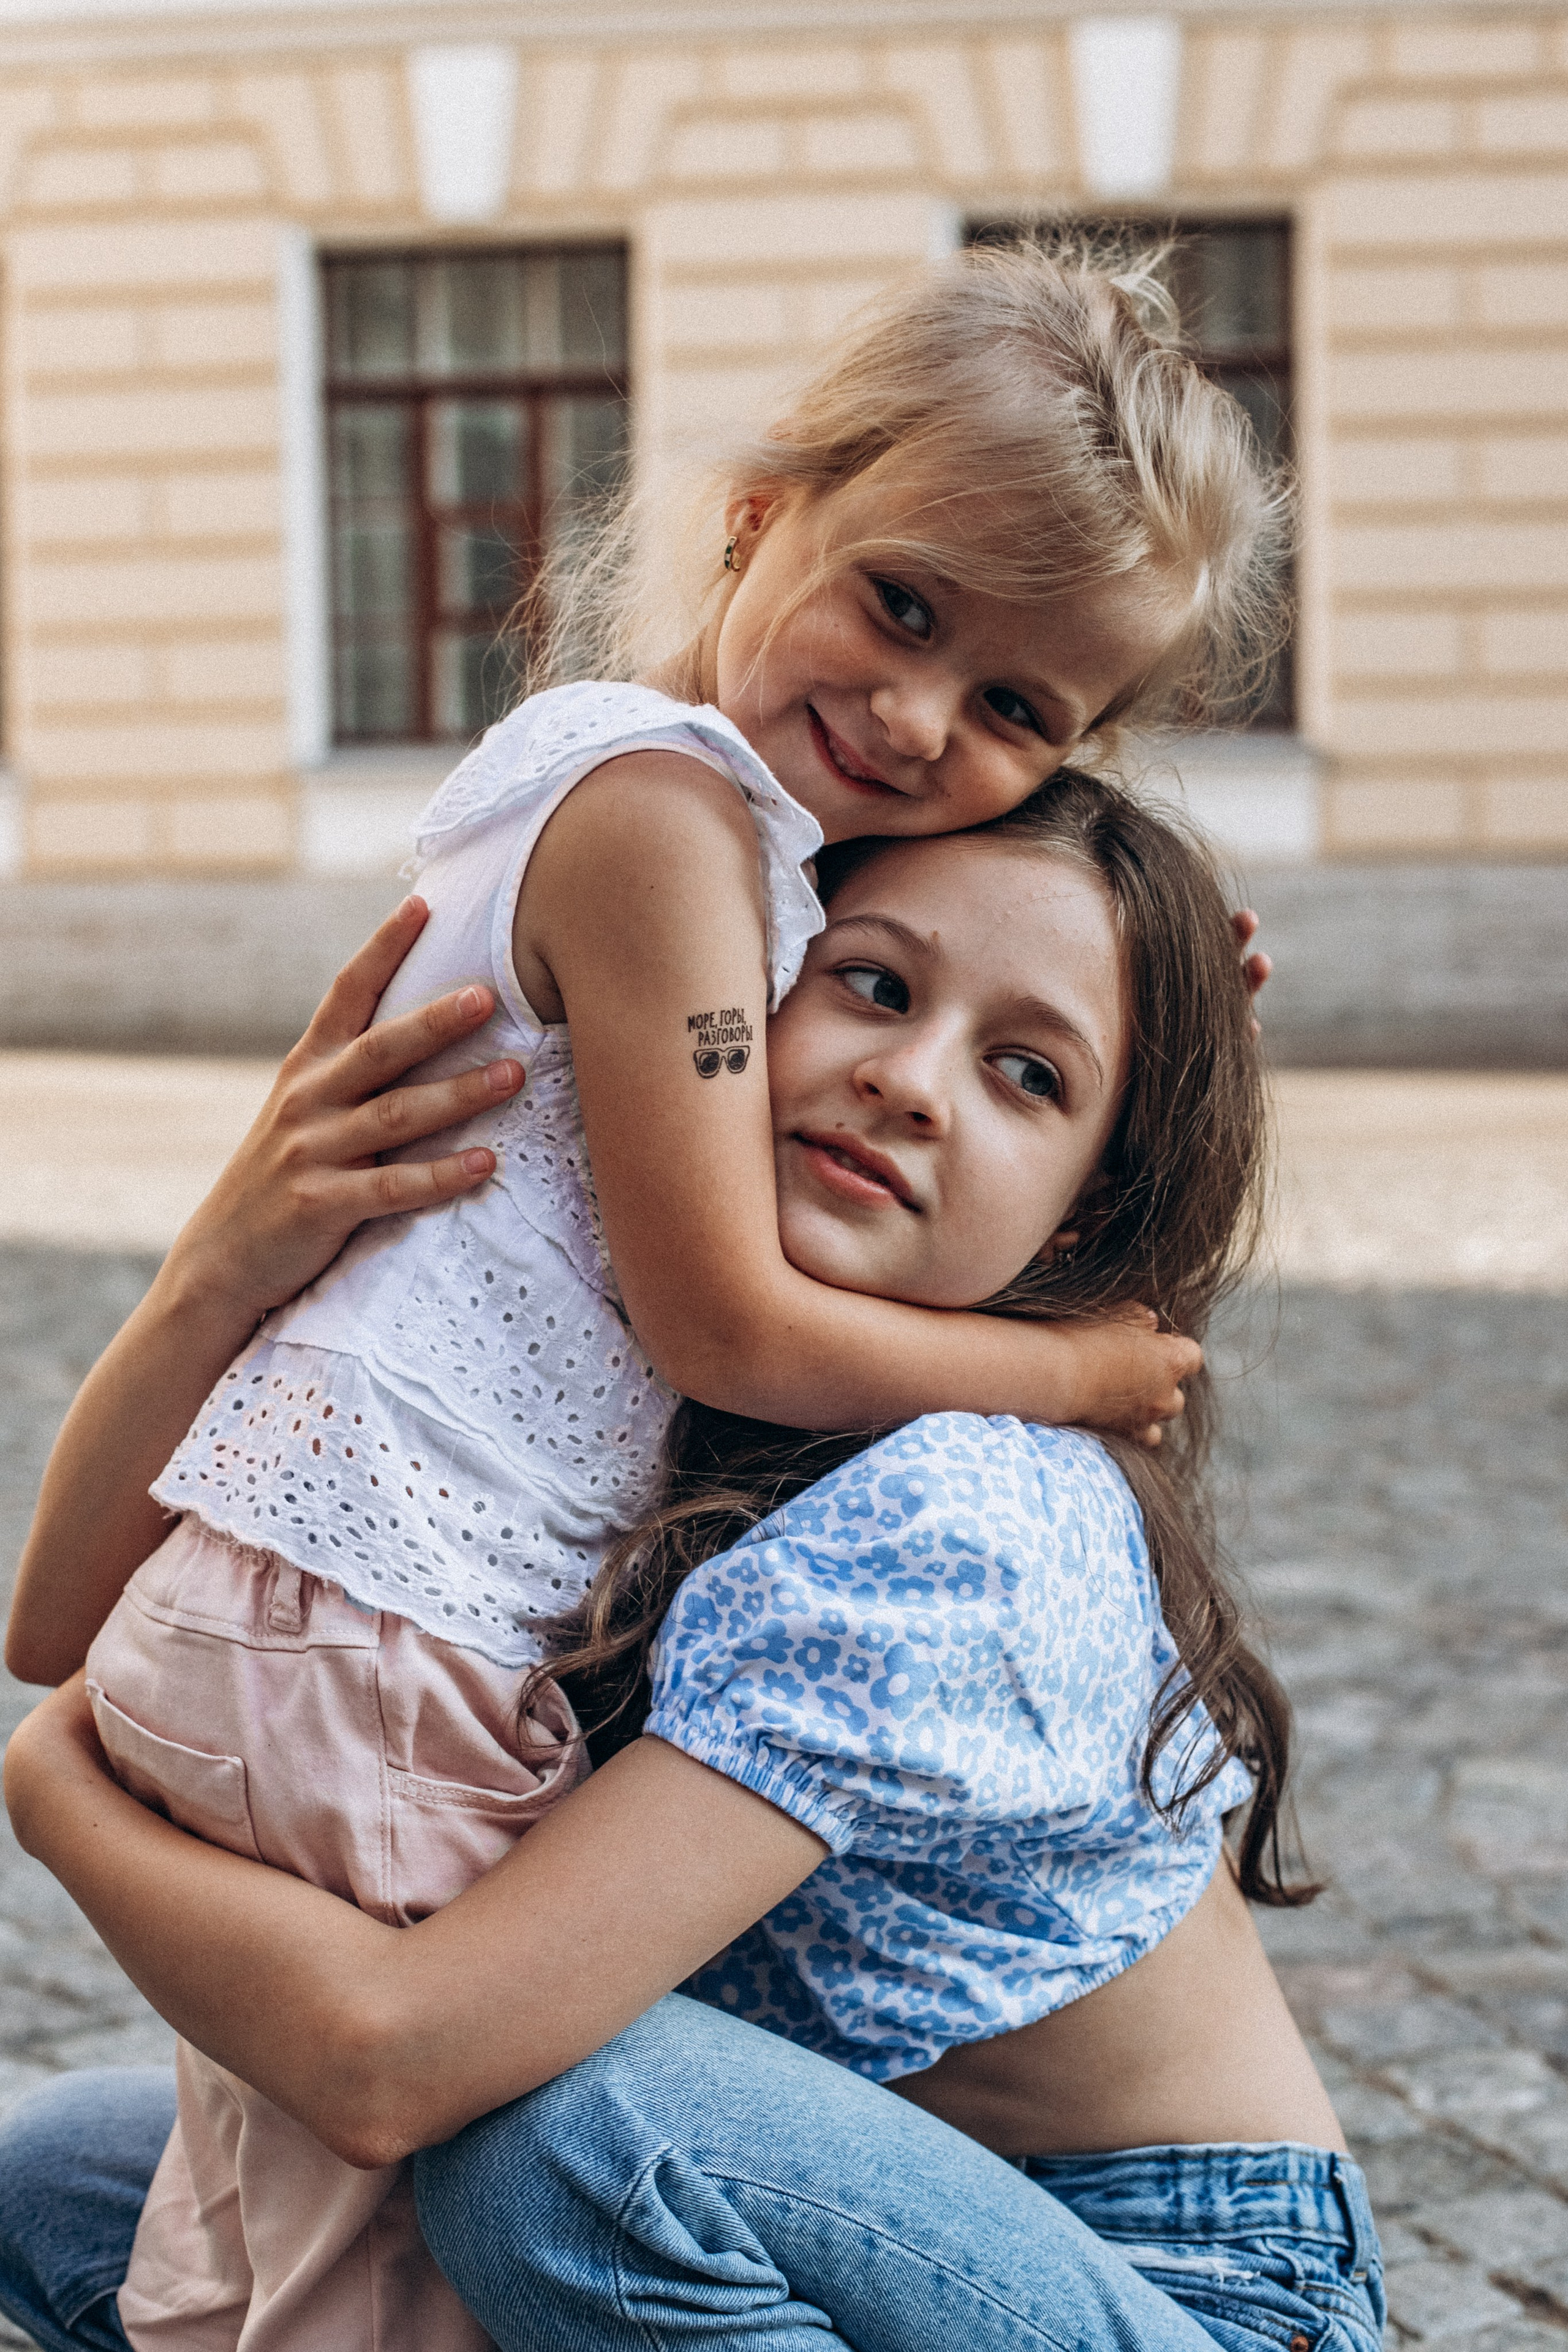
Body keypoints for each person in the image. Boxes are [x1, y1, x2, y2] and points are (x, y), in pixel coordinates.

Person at [4, 239, 1285, 2350]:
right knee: (66, 2167)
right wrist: (229, 1253)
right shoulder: (670, 1001)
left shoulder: (949, 1501)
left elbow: (404, 2051)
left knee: (530, 2133)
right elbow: (61, 1627)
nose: (909, 718)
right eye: (864, 986)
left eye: (1010, 715)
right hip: (816, 2182)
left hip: (1153, 2290)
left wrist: (58, 1794)